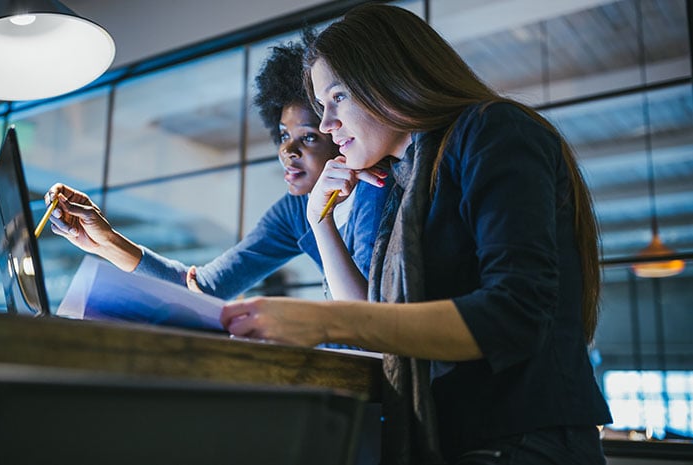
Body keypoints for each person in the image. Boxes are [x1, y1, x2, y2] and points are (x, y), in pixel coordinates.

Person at [220, 4, 612, 465]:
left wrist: (323, 322)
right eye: (322, 107)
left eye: (338, 97)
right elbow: (373, 326)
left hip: (523, 440)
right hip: (460, 439)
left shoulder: (493, 129)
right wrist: (319, 220)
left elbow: (515, 313)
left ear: (388, 76)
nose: (327, 124)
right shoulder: (404, 180)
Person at [45, 39, 390, 302]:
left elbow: (368, 317)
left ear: (337, 132)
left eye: (309, 137)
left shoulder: (377, 188)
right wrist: (103, 240)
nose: (287, 151)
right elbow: (205, 288)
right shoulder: (296, 210)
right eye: (283, 136)